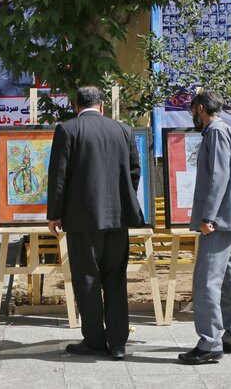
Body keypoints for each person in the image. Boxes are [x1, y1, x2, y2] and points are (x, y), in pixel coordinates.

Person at [47, 85, 144, 360]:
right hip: (118, 218)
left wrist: (54, 213)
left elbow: (59, 176)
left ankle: (93, 339)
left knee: (87, 278)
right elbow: (133, 171)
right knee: (115, 278)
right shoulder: (123, 130)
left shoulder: (68, 130)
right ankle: (118, 343)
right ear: (102, 106)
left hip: (82, 219)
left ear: (76, 106)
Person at [178, 90, 231, 365]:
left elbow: (219, 176)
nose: (192, 115)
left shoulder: (216, 132)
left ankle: (209, 343)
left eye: (193, 110)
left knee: (206, 281)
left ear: (202, 108)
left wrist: (209, 216)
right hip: (229, 218)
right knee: (230, 280)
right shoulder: (230, 132)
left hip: (217, 221)